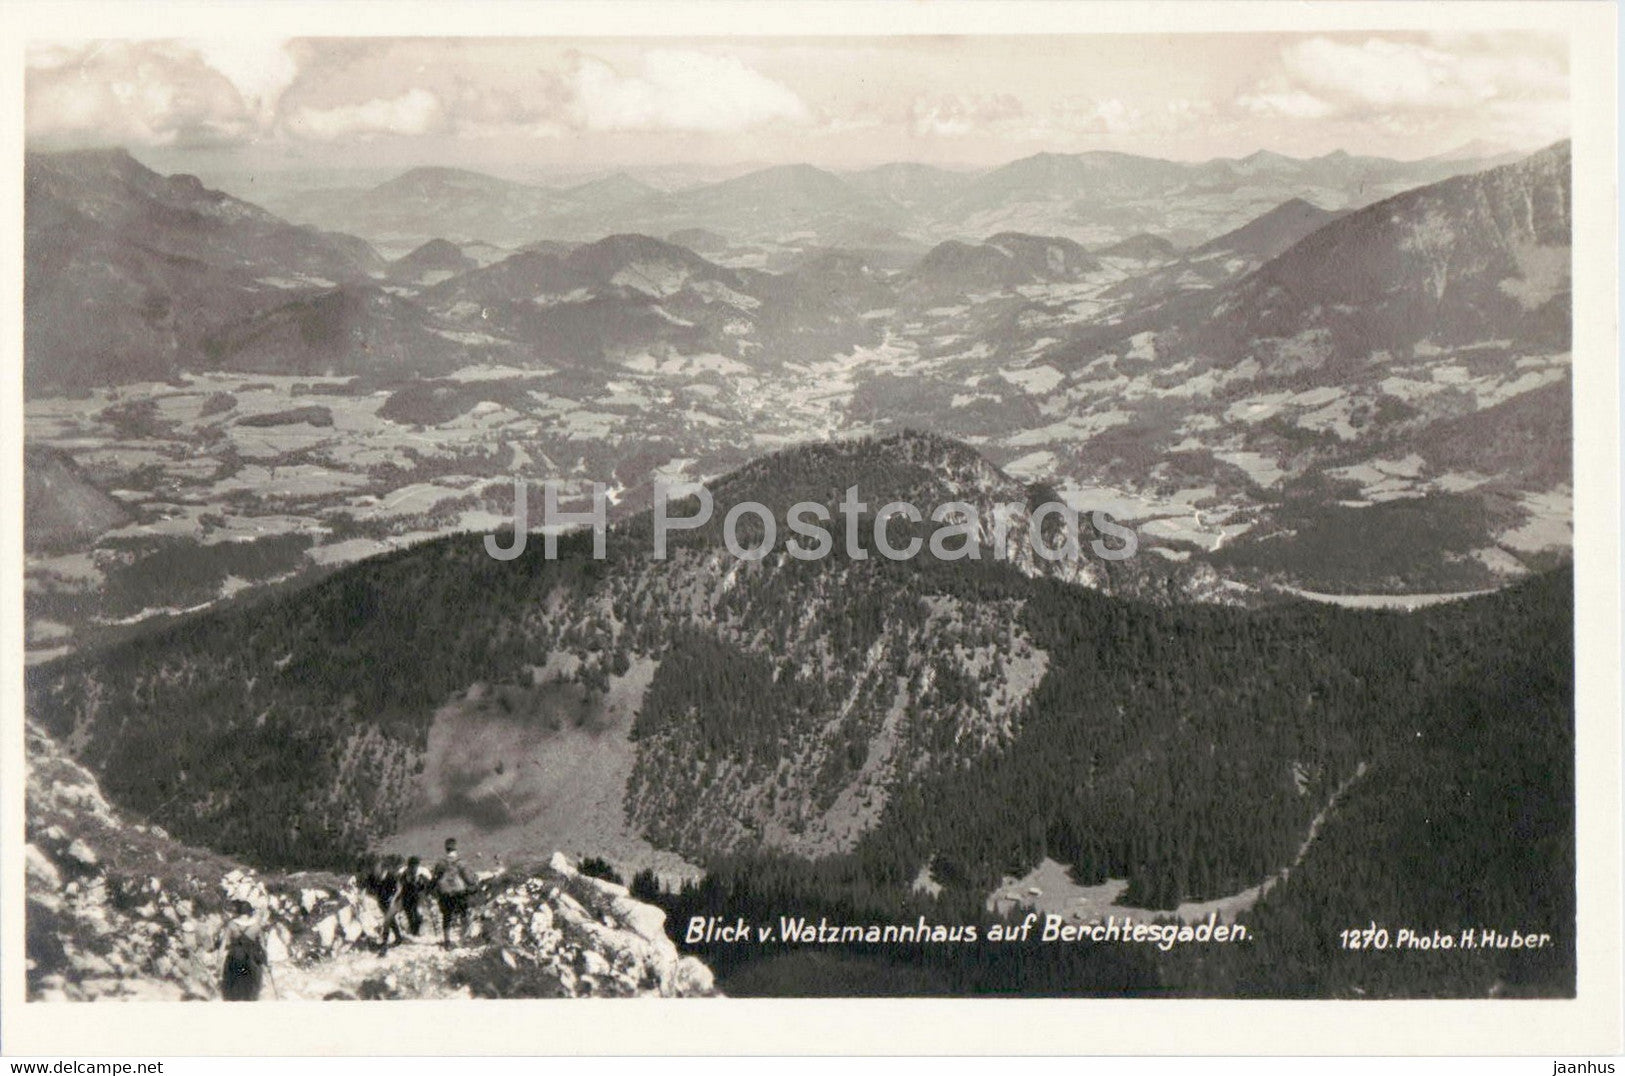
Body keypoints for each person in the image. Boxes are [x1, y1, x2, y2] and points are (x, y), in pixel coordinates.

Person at [431, 838, 478, 949]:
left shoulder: (441, 863)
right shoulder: (461, 863)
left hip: (445, 893)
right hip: (459, 893)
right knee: (464, 914)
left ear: (446, 848)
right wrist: (474, 884)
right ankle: (464, 940)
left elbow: (435, 879)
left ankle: (447, 941)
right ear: (455, 847)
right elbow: (468, 879)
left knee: (447, 917)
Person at [219, 899, 268, 1001]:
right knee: (252, 985)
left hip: (235, 955)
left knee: (231, 985)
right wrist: (266, 961)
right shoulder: (256, 926)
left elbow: (223, 944)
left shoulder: (232, 925)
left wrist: (218, 962)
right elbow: (263, 946)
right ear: (249, 912)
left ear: (238, 912)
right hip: (251, 955)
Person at [361, 854, 406, 954]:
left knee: (387, 920)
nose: (374, 869)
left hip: (396, 900)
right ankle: (398, 938)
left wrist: (393, 899)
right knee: (390, 920)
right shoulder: (372, 877)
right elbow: (366, 888)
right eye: (373, 868)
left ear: (381, 867)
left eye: (376, 867)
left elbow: (399, 889)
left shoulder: (390, 876)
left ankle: (384, 945)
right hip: (383, 901)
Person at [395, 855, 431, 937]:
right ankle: (413, 930)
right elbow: (398, 882)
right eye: (411, 866)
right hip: (407, 892)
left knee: (417, 911)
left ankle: (417, 929)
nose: (413, 868)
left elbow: (429, 882)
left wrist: (428, 893)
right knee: (409, 912)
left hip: (418, 892)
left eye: (415, 866)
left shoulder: (423, 871)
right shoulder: (403, 871)